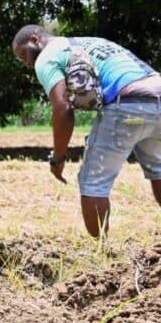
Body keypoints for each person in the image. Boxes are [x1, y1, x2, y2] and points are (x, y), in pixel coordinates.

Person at [12, 25, 161, 236]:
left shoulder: (47, 56)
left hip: (127, 103)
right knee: (159, 169)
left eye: (23, 55)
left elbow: (62, 108)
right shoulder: (90, 42)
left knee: (93, 183)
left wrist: (59, 157)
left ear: (35, 40)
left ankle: (102, 258)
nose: (26, 63)